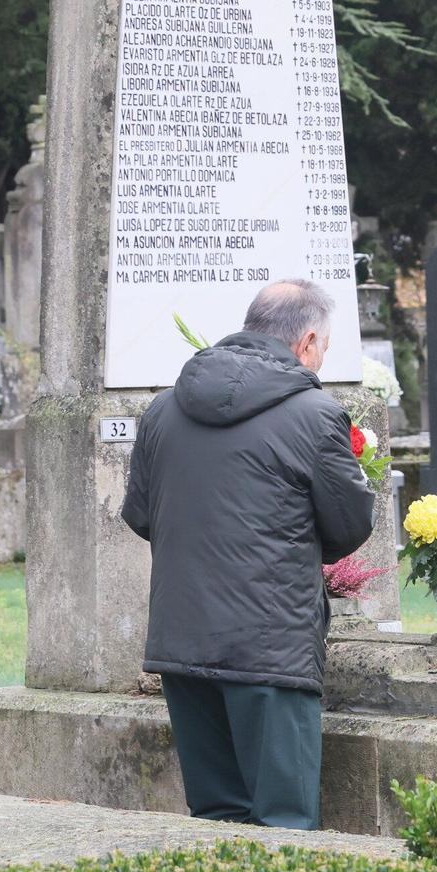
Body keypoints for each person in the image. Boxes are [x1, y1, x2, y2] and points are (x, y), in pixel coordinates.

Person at [121, 279, 375, 829]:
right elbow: (349, 524)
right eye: (325, 349)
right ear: (308, 342)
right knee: (284, 823)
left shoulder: (162, 410)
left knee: (216, 818)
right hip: (270, 647)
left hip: (183, 639)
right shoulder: (315, 414)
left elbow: (142, 515)